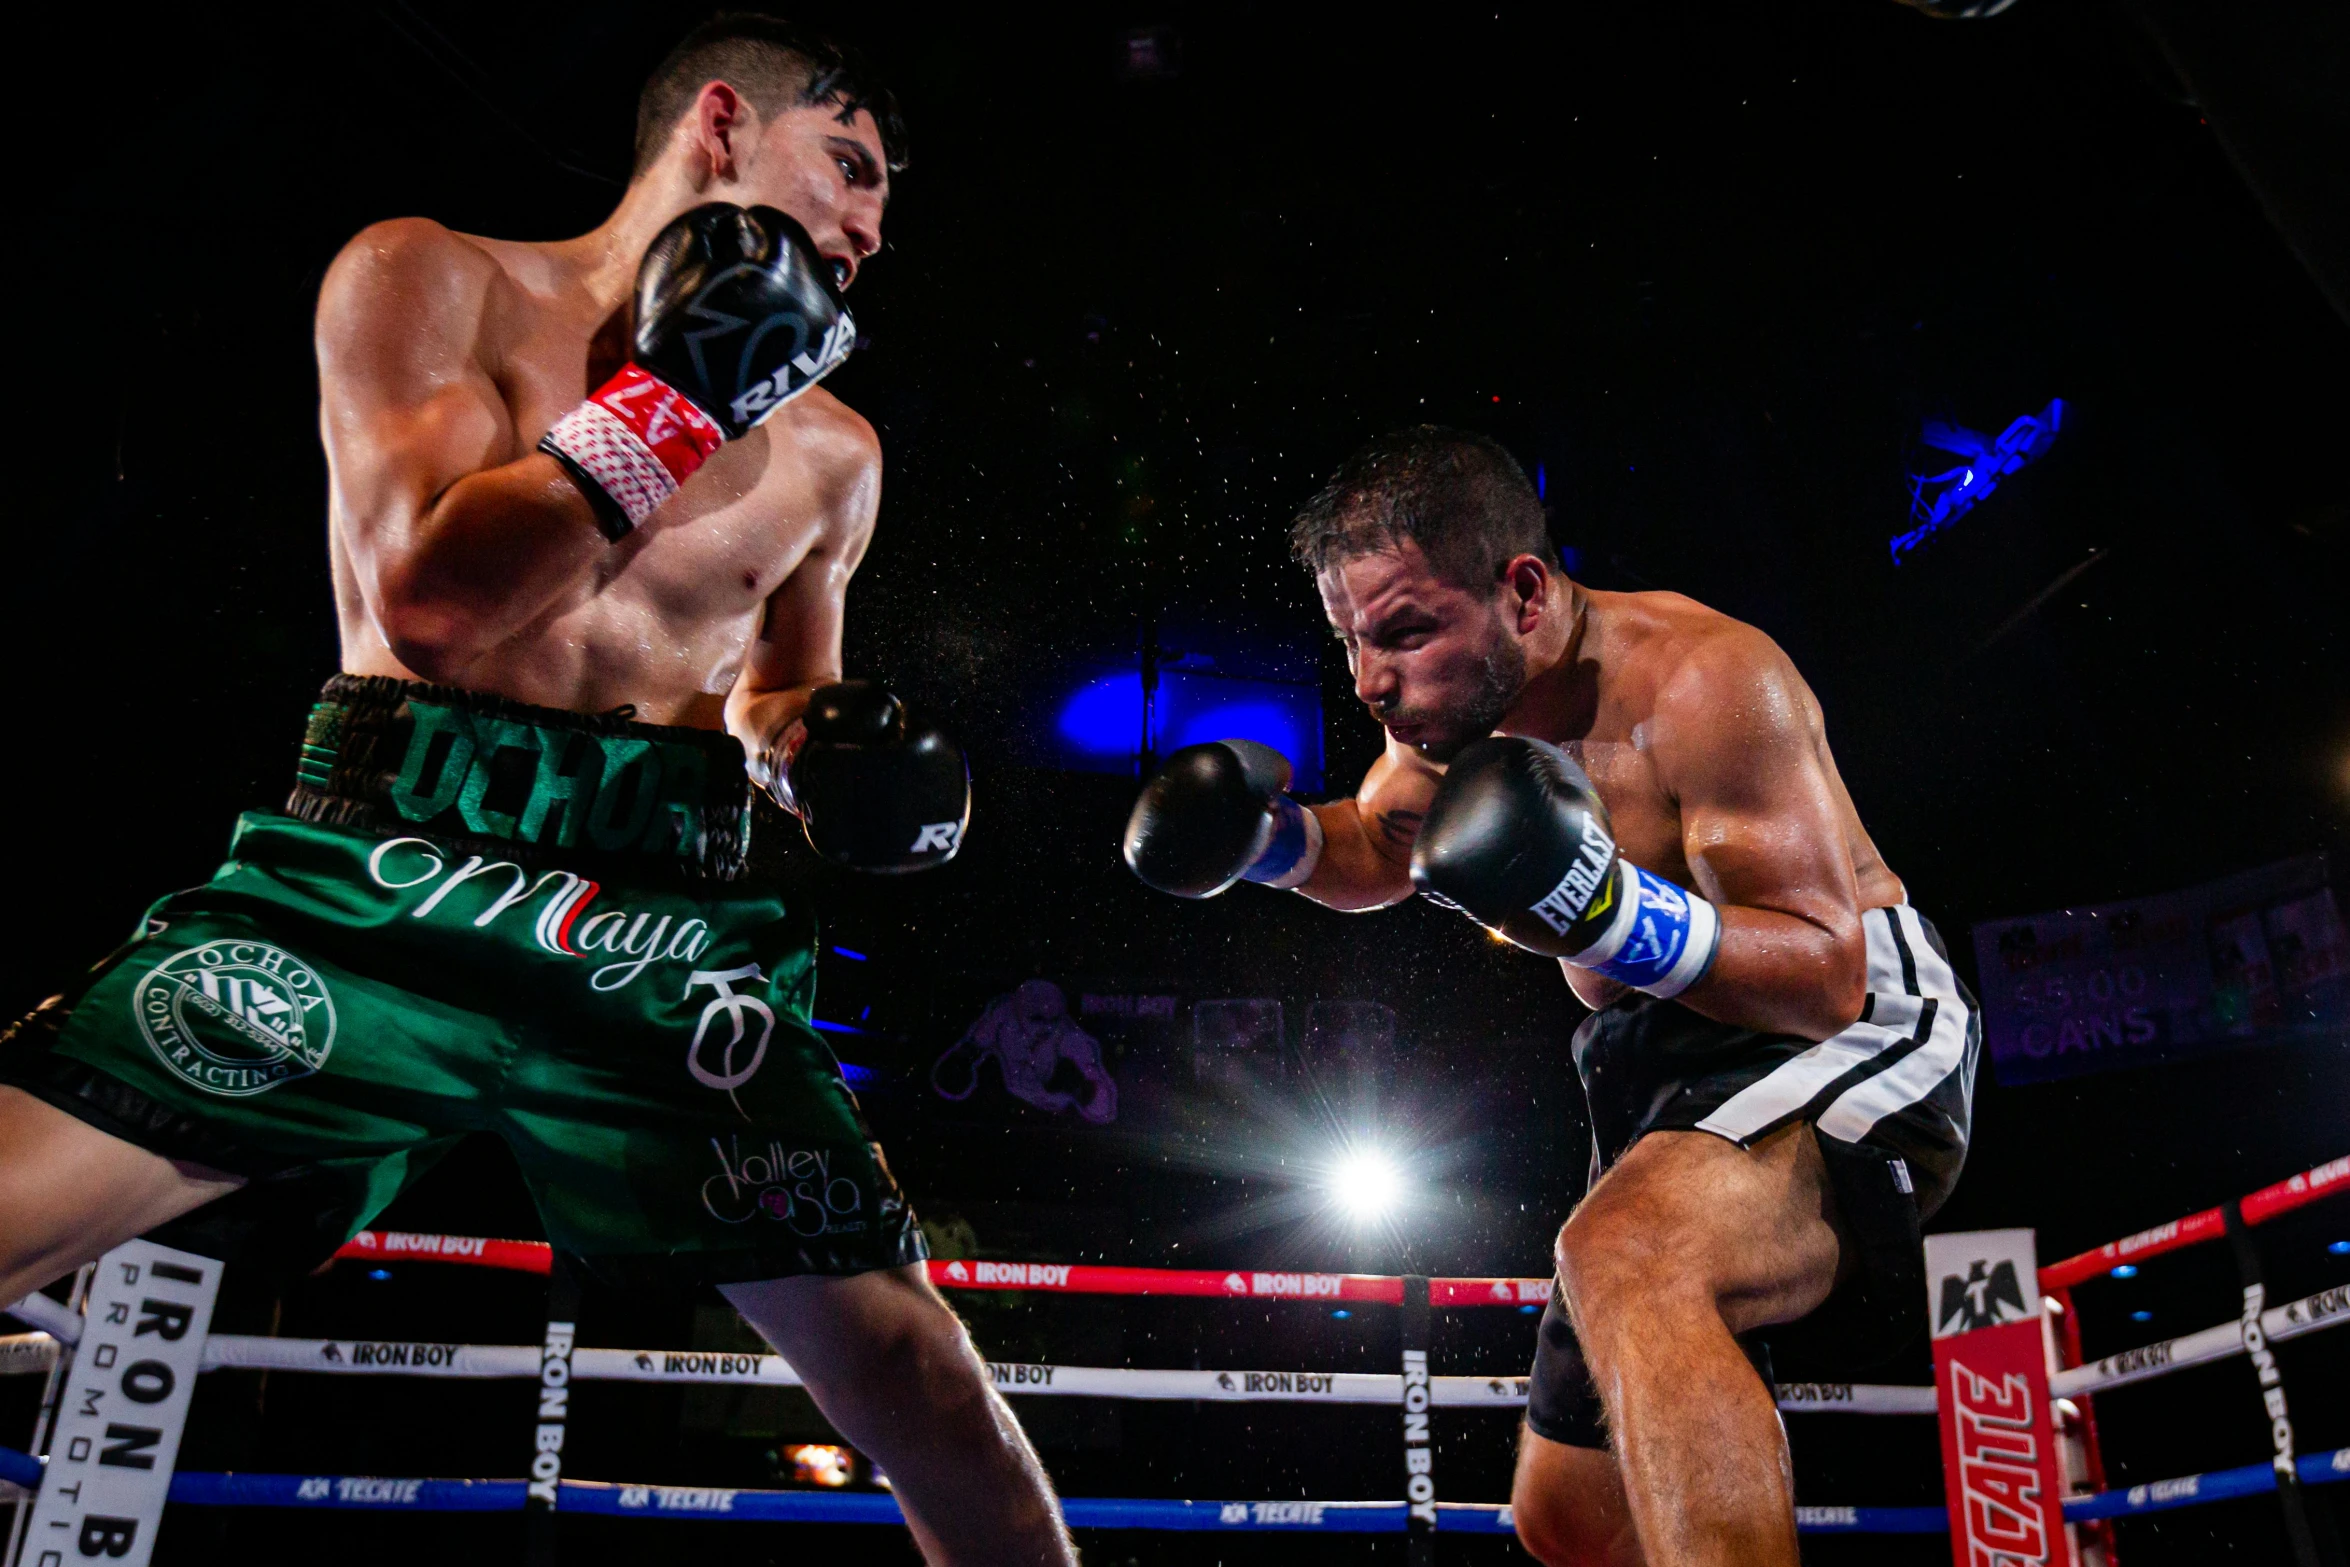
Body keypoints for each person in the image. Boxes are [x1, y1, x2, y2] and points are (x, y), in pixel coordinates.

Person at [0, 17, 1072, 1564]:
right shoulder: (431, 276)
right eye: (848, 165)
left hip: (662, 916)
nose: (870, 225)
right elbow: (430, 606)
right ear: (719, 124)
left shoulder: (836, 452)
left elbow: (770, 688)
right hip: (382, 872)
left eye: (885, 198)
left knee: (914, 1366)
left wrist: (824, 749)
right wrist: (678, 396)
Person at [1123, 426, 1978, 1567]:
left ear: (1521, 591)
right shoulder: (1452, 723)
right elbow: (1377, 849)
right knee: (1572, 1516)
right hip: (1660, 1061)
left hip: (1855, 1022)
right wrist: (1266, 840)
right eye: (1349, 641)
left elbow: (1826, 972)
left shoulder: (1707, 679)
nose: (1373, 681)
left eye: (1405, 631)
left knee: (1631, 1252)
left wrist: (1607, 914)